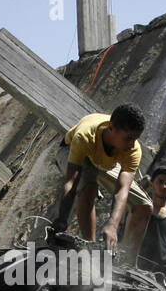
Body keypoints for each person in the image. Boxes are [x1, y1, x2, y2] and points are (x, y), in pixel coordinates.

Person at [54, 104, 152, 251]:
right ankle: (89, 247)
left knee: (144, 206)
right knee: (89, 188)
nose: (132, 145)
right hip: (72, 152)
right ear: (111, 128)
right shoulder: (85, 136)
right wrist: (61, 219)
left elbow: (122, 190)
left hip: (105, 163)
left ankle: (126, 260)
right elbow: (71, 182)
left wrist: (112, 225)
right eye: (129, 138)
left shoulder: (132, 150)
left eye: (136, 139)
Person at [125, 164, 166, 287]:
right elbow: (127, 239)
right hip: (142, 272)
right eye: (160, 182)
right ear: (151, 185)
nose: (164, 186)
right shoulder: (140, 210)